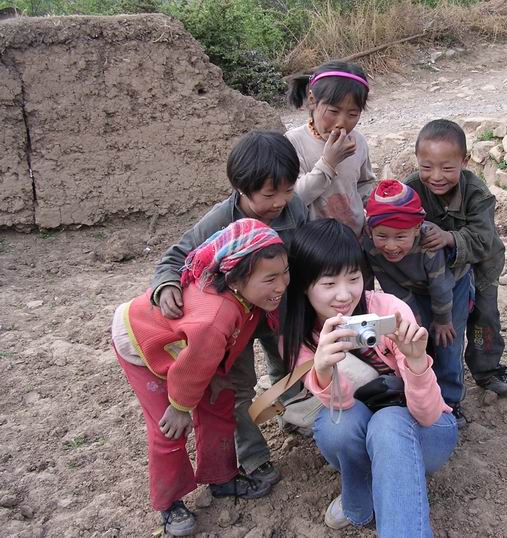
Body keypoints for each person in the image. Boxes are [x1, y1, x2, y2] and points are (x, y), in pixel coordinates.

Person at [111, 219, 290, 536]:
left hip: (189, 348)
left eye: (285, 273)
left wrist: (216, 375)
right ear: (235, 278)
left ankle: (221, 478)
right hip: (144, 344)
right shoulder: (215, 315)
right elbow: (193, 362)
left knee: (220, 401)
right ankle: (170, 503)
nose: (281, 285)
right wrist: (180, 407)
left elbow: (217, 347)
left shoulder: (245, 297)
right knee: (168, 427)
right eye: (270, 278)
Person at [150, 131, 307, 488]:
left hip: (280, 311)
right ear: (241, 188)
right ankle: (253, 456)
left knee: (288, 366)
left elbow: (308, 250)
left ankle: (292, 416)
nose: (281, 201)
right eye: (270, 194)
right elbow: (176, 256)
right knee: (238, 388)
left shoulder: (295, 209)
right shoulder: (220, 219)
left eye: (288, 190)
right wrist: (167, 284)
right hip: (233, 324)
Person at [281, 219, 457, 536]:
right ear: (304, 285)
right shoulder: (300, 338)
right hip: (363, 431)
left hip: (426, 432)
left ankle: (390, 503)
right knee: (336, 424)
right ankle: (364, 496)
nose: (344, 294)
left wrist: (417, 362)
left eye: (353, 278)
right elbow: (340, 408)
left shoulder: (388, 311)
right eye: (329, 283)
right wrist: (323, 370)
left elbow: (429, 415)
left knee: (388, 422)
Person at [406, 119, 507, 396]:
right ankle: (429, 372)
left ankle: (487, 371)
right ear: (417, 160)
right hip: (437, 275)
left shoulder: (477, 194)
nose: (436, 176)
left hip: (481, 267)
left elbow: (483, 238)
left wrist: (449, 238)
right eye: (426, 167)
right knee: (434, 321)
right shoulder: (411, 190)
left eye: (447, 168)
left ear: (464, 161)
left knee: (483, 319)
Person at [363, 179, 472, 427]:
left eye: (400, 236)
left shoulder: (429, 244)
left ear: (417, 229)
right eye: (382, 236)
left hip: (451, 285)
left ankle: (451, 400)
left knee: (447, 341)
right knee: (416, 337)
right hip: (409, 285)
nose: (390, 246)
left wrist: (442, 320)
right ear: (369, 230)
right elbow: (389, 283)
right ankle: (425, 394)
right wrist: (414, 318)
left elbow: (441, 286)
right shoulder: (369, 245)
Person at [285, 60, 376, 236]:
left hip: (354, 238)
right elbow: (294, 199)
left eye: (352, 114)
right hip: (314, 244)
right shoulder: (294, 142)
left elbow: (364, 184)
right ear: (312, 100)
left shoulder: (357, 142)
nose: (341, 123)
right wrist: (328, 163)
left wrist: (377, 212)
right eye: (333, 111)